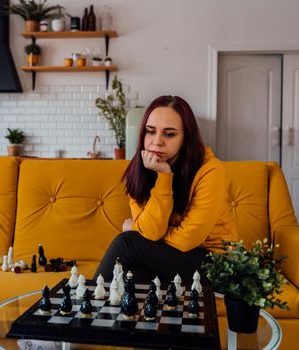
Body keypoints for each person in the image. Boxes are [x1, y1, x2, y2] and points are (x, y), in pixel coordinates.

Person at [94, 95, 238, 283]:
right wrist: (163, 177)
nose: (157, 141)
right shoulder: (139, 170)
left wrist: (135, 228)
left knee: (126, 243)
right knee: (133, 277)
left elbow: (187, 239)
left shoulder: (210, 170)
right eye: (150, 131)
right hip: (170, 260)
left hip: (214, 263)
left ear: (185, 138)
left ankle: (84, 306)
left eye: (169, 134)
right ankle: (98, 310)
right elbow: (151, 232)